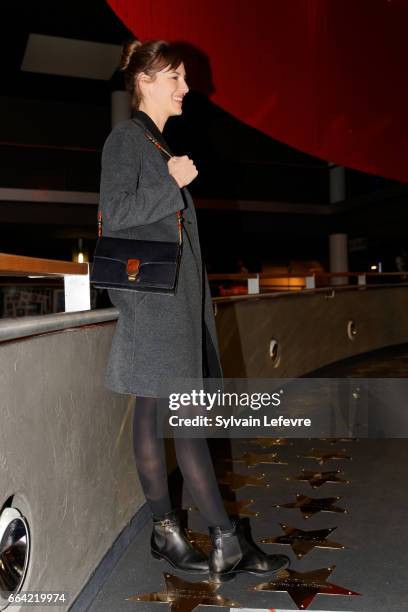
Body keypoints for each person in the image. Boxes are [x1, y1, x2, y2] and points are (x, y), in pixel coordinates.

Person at [98, 38, 289, 582]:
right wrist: (172, 182)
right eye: (176, 78)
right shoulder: (126, 141)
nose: (186, 88)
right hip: (155, 306)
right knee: (187, 422)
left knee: (156, 415)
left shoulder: (153, 144)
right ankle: (226, 542)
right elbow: (117, 215)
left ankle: (167, 532)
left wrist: (168, 177)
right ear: (147, 82)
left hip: (166, 305)